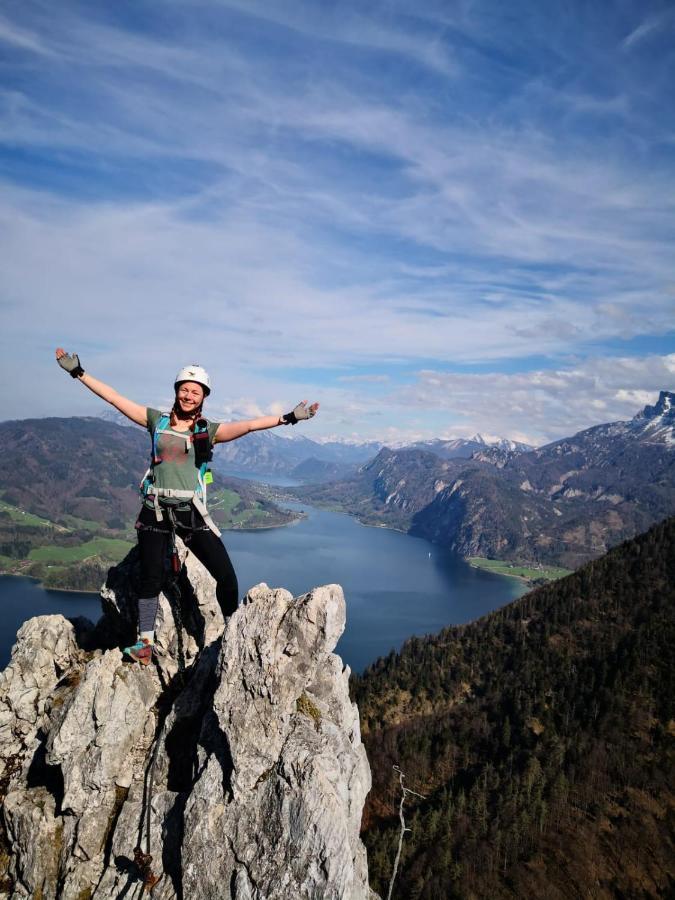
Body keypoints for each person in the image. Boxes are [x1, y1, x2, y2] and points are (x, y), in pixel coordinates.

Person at [55, 349, 319, 665]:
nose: (189, 395)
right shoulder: (157, 421)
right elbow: (114, 398)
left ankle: (233, 629)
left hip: (188, 512)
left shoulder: (207, 431)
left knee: (227, 576)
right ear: (176, 391)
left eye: (196, 391)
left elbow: (248, 425)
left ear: (203, 397)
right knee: (150, 580)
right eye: (185, 389)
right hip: (154, 511)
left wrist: (288, 417)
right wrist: (78, 372)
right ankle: (145, 643)